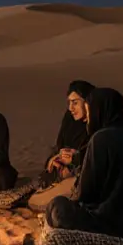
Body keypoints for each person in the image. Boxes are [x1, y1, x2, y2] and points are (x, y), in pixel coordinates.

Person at [45, 88, 123, 241]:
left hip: (117, 225)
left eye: (89, 113)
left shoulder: (100, 139)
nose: (88, 120)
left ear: (98, 112)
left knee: (57, 206)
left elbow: (86, 194)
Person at [29, 79, 96, 211]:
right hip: (63, 175)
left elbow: (95, 159)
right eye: (69, 103)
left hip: (84, 179)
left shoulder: (98, 127)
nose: (70, 108)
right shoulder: (70, 120)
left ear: (88, 103)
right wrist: (56, 159)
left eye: (75, 103)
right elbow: (59, 148)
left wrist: (75, 160)